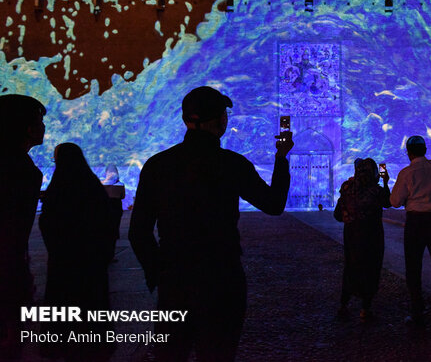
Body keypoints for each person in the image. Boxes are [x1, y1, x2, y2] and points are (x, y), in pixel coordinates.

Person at [129, 86, 294, 361]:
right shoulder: (231, 164)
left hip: (175, 281)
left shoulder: (157, 165)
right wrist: (280, 159)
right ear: (221, 121)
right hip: (222, 278)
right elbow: (274, 205)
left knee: (171, 353)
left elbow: (139, 232)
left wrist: (158, 273)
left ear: (186, 120)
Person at [39, 143, 115, 360]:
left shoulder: (56, 190)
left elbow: (47, 223)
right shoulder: (92, 188)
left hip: (62, 266)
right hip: (92, 266)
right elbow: (107, 224)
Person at [390, 136, 431, 328]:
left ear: (409, 153)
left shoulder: (407, 173)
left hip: (416, 222)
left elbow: (395, 202)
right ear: (425, 149)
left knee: (413, 267)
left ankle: (418, 310)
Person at [0, 94, 46, 359]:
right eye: (39, 121)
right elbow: (13, 235)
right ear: (28, 129)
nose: (43, 127)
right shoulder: (22, 170)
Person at [334, 158, 391, 321]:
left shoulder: (347, 188)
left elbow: (338, 215)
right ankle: (365, 309)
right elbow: (388, 203)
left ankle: (344, 305)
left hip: (352, 236)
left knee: (351, 268)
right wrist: (386, 182)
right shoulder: (376, 191)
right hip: (372, 236)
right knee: (371, 270)